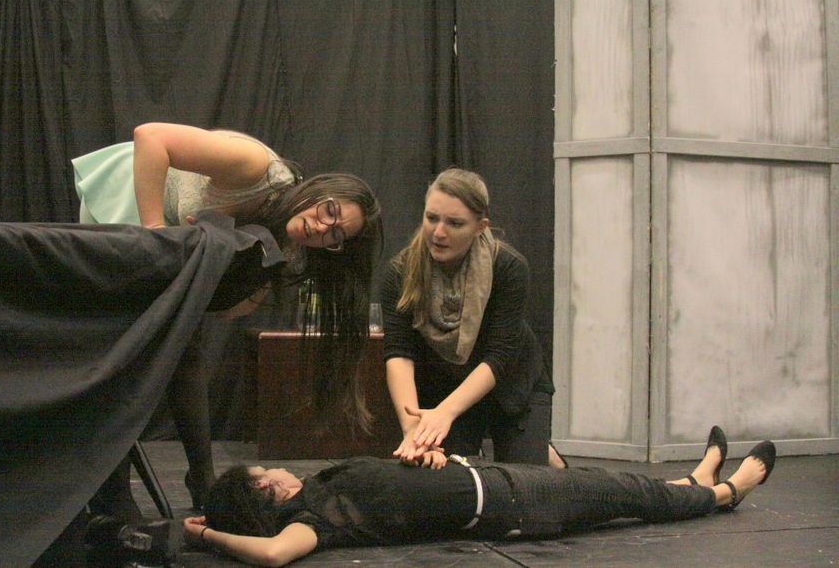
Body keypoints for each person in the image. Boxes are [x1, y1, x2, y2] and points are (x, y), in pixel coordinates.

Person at [72, 123, 383, 516]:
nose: (322, 227)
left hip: (168, 239)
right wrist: (155, 234)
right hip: (131, 198)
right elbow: (150, 137)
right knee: (125, 353)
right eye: (330, 211)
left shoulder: (284, 240)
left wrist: (248, 285)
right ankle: (114, 490)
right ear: (320, 191)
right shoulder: (256, 167)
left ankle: (201, 478)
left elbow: (226, 309)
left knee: (187, 347)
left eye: (335, 235)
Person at [184, 427, 776, 566]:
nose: (277, 467)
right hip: (513, 507)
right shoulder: (313, 519)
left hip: (491, 480)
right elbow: (272, 555)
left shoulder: (321, 487)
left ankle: (693, 483)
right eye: (266, 471)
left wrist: (424, 459)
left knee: (619, 489)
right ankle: (725, 491)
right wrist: (207, 534)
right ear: (265, 489)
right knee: (617, 491)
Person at [382, 168, 557, 468]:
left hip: (511, 384)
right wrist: (414, 429)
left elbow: (499, 356)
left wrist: (445, 413)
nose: (438, 232)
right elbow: (399, 354)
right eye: (432, 218)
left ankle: (543, 455)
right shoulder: (400, 272)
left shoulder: (508, 267)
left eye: (455, 223)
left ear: (480, 226)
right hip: (446, 386)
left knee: (524, 484)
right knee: (445, 474)